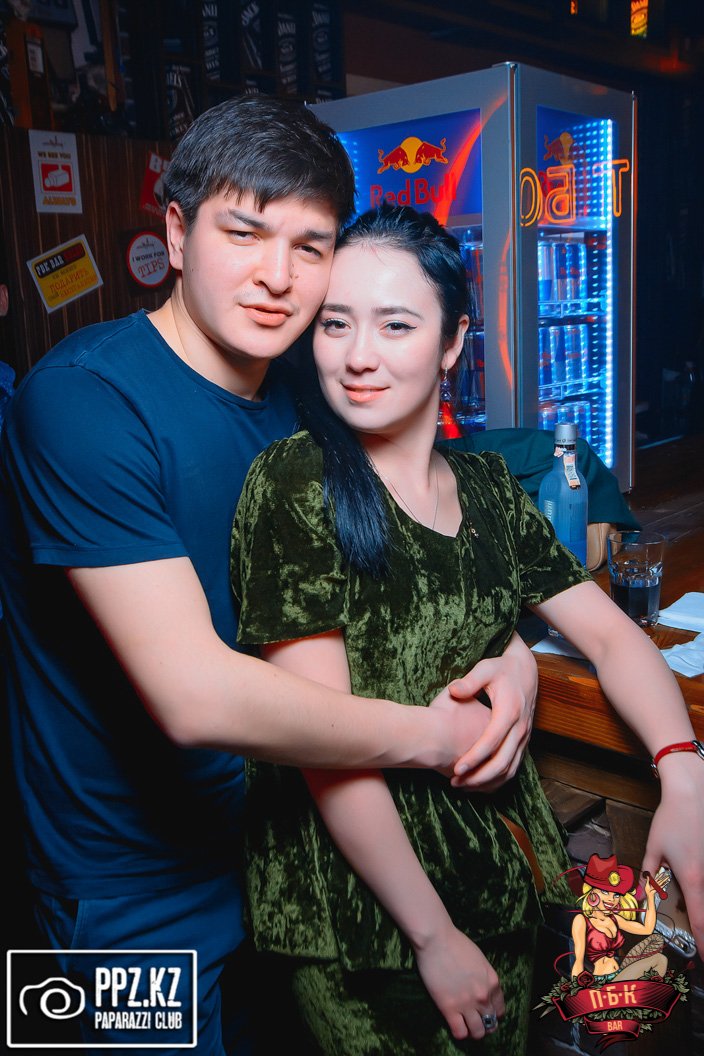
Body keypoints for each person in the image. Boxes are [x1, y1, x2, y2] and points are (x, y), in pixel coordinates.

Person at [0, 97, 539, 1053]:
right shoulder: (81, 402)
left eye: (310, 245)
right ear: (177, 232)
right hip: (129, 896)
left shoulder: (308, 388)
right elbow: (194, 696)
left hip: (296, 850)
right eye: (244, 233)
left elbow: (428, 552)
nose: (277, 277)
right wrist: (432, 737)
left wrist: (517, 660)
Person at [231, 204, 704, 1054]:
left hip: (496, 864)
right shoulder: (295, 482)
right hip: (362, 911)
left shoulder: (487, 487)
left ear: (453, 342)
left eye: (395, 324)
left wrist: (684, 769)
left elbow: (611, 636)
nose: (358, 354)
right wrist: (431, 936)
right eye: (335, 323)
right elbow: (321, 741)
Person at [571, 854, 668, 983]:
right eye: (605, 892)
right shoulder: (581, 921)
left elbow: (647, 929)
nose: (611, 899)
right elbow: (578, 961)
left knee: (660, 957)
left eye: (616, 895)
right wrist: (578, 989)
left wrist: (650, 896)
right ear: (592, 892)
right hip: (602, 981)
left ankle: (643, 991)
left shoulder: (615, 919)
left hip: (619, 974)